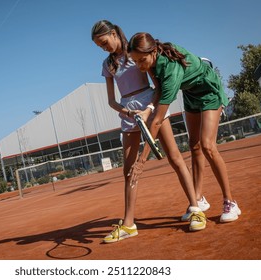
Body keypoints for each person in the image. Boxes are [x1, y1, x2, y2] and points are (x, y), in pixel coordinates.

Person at [91, 20, 206, 244]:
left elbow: (159, 85)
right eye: (99, 46)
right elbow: (111, 101)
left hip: (150, 105)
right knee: (128, 169)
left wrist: (149, 108)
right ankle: (129, 224)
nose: (103, 48)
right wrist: (127, 112)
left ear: (113, 34)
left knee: (174, 157)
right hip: (128, 115)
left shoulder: (136, 54)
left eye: (104, 42)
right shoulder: (108, 65)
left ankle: (195, 208)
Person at [127, 32, 241, 223]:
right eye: (135, 61)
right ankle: (198, 199)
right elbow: (158, 91)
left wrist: (141, 161)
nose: (139, 66)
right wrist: (147, 109)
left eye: (142, 60)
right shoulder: (153, 62)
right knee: (194, 145)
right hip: (191, 95)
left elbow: (157, 121)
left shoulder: (170, 69)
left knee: (207, 146)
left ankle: (230, 201)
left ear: (153, 51)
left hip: (209, 91)